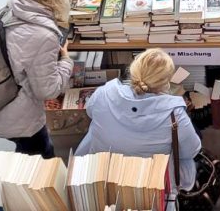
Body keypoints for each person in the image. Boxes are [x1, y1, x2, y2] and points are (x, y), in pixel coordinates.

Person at [0, 0, 73, 158]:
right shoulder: (44, 36)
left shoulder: (11, 8)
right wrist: (65, 61)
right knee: (38, 153)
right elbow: (48, 91)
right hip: (15, 115)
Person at [75, 48, 201, 190]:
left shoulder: (103, 93)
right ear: (166, 83)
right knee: (187, 154)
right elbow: (192, 150)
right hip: (151, 181)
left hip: (104, 171)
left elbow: (90, 112)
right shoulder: (175, 114)